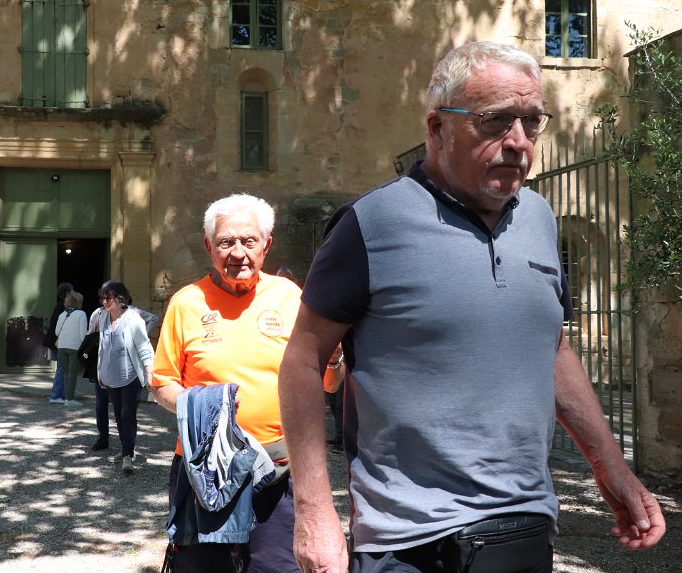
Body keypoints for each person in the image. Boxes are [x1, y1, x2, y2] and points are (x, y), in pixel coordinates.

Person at [278, 41, 666, 573]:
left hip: (523, 527)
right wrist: (315, 513)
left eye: (532, 122)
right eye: (496, 121)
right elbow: (302, 361)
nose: (519, 141)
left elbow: (551, 349)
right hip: (408, 541)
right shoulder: (371, 224)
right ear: (438, 128)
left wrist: (611, 467)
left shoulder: (539, 219)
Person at [150, 193, 303, 573]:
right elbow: (161, 382)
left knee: (277, 568)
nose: (238, 253)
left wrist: (335, 362)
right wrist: (206, 404)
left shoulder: (289, 297)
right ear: (209, 247)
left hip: (276, 469)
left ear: (266, 245)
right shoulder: (186, 303)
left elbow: (324, 381)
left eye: (249, 241)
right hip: (205, 474)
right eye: (226, 242)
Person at [88, 286, 159, 452]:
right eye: (103, 298)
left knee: (126, 413)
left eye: (108, 298)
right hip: (107, 370)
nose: (104, 302)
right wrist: (99, 371)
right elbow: (95, 339)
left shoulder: (134, 316)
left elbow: (145, 344)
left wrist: (149, 372)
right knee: (107, 408)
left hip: (129, 373)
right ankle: (106, 439)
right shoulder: (100, 315)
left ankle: (127, 452)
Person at [54, 290, 87, 408]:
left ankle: (67, 397)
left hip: (62, 346)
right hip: (74, 347)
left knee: (66, 373)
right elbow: (83, 335)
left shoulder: (62, 315)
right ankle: (70, 399)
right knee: (72, 374)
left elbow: (56, 332)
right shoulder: (81, 314)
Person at [46, 281, 73, 403]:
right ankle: (56, 395)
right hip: (61, 342)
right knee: (62, 369)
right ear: (67, 293)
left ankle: (60, 395)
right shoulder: (64, 308)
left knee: (62, 369)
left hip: (57, 342)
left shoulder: (59, 306)